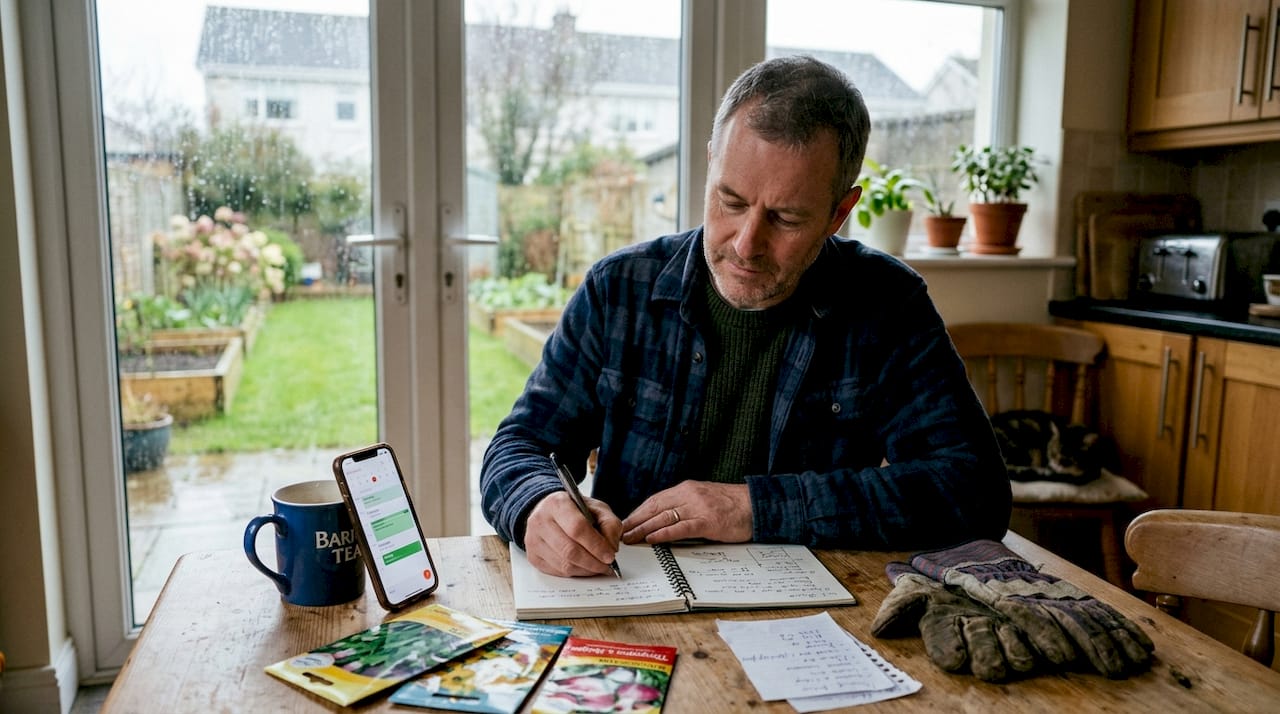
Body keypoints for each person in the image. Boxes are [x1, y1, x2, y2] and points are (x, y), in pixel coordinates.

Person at [481, 55, 1010, 577]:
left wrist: (754, 507)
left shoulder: (888, 304)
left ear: (839, 213)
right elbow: (519, 445)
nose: (746, 244)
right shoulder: (618, 289)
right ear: (711, 162)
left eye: (786, 218)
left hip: (817, 624)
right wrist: (536, 505)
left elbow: (974, 491)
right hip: (632, 601)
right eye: (730, 201)